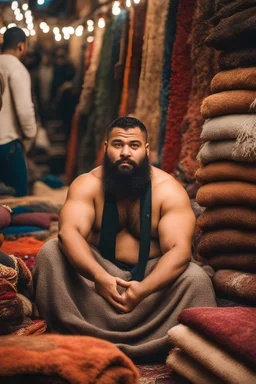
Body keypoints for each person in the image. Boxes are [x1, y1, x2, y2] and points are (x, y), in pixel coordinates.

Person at [33, 117, 216, 360]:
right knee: (50, 253)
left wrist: (142, 290)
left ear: (147, 150)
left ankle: (156, 342)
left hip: (151, 284)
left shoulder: (168, 189)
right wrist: (100, 276)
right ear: (106, 147)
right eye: (118, 145)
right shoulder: (87, 184)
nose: (125, 152)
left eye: (134, 146)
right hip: (95, 282)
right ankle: (73, 329)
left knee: (196, 278)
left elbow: (180, 250)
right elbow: (69, 233)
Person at [0, 27, 37, 196]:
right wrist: (30, 135)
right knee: (17, 199)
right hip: (8, 144)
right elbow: (24, 110)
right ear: (21, 46)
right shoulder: (17, 69)